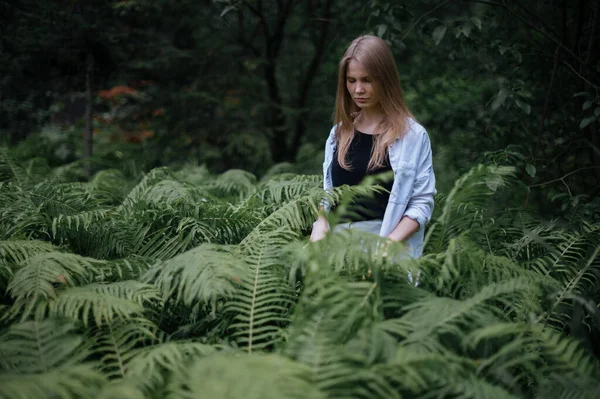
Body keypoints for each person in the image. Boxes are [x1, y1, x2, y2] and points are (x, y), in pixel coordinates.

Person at [309, 35, 436, 260]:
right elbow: (330, 197)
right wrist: (319, 230)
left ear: (385, 79)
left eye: (367, 80)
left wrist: (386, 248)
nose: (358, 89)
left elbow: (421, 205)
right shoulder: (338, 134)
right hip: (335, 258)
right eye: (351, 80)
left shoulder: (412, 136)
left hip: (386, 254)